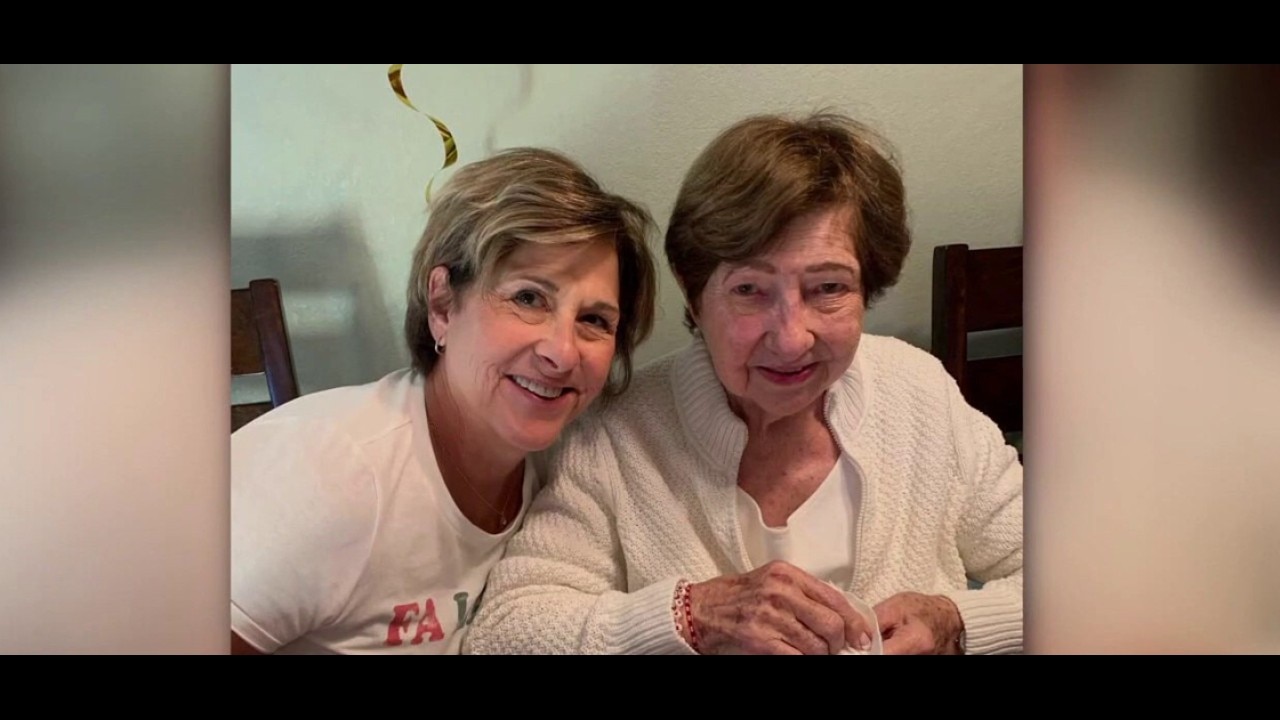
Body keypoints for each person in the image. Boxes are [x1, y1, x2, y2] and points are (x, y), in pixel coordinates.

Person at [466, 112, 1023, 655]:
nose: (792, 339)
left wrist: (956, 623)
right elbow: (505, 633)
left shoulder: (918, 391)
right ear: (693, 292)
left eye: (829, 287)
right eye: (750, 291)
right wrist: (691, 617)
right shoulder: (617, 437)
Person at [230, 148, 658, 654]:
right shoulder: (332, 475)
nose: (562, 353)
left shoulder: (565, 480)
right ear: (442, 304)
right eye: (528, 298)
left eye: (594, 320)